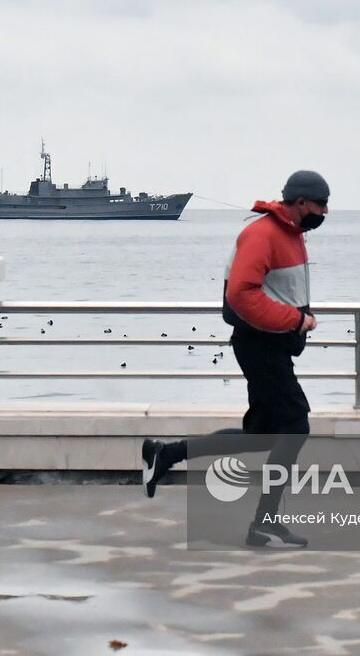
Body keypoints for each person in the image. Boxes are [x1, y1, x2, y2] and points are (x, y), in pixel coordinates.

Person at [141, 170, 330, 548]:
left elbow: (278, 288)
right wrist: (296, 320)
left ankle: (166, 454)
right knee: (295, 427)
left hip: (273, 346)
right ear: (301, 203)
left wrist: (295, 323)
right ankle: (264, 522)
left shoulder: (291, 234)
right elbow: (242, 294)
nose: (325, 212)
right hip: (260, 346)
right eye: (321, 205)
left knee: (262, 436)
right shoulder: (262, 234)